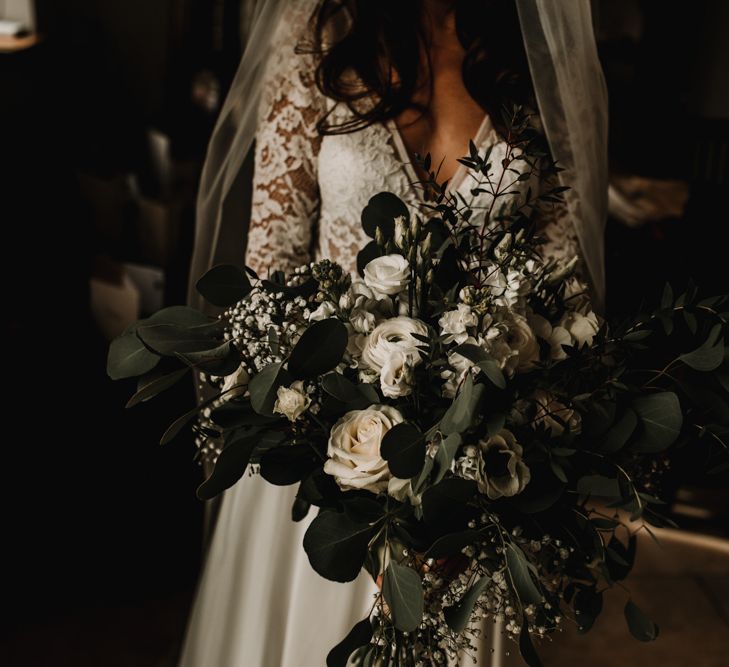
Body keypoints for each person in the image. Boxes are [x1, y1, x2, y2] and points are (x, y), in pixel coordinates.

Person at [180, 1, 608, 665]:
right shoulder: (314, 35)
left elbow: (564, 288)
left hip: (479, 459)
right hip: (327, 451)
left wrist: (511, 430)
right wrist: (315, 422)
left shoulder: (525, 48)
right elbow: (272, 270)